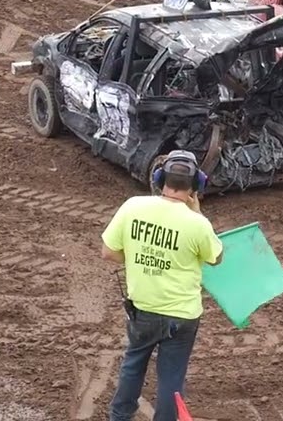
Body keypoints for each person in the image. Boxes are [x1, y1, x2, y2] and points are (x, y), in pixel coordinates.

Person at [102, 150, 224, 421]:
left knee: (133, 364)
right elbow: (216, 258)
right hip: (182, 317)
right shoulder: (198, 224)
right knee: (172, 377)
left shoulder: (133, 206)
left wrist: (136, 254)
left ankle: (119, 417)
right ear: (196, 185)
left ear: (159, 179)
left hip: (143, 309)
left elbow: (108, 252)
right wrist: (197, 213)